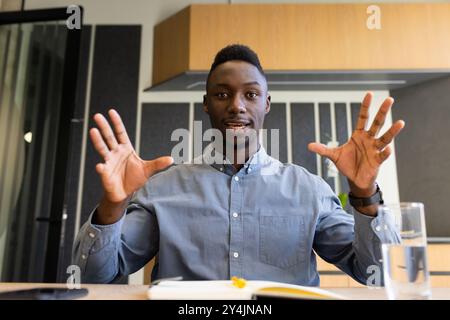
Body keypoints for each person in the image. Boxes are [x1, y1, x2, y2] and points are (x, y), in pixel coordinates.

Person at [73, 44, 404, 285]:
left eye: (250, 94)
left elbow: (375, 274)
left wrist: (364, 193)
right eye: (222, 94)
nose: (236, 106)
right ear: (206, 105)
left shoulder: (308, 189)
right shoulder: (162, 190)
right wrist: (113, 206)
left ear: (266, 103)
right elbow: (92, 276)